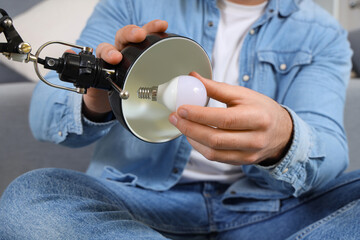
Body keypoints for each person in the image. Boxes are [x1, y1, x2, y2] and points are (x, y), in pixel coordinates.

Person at [1, 0, 359, 239]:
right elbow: (44, 114)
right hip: (136, 204)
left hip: (266, 212)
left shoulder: (320, 32)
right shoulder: (133, 3)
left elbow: (330, 155)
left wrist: (284, 138)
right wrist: (98, 97)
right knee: (30, 198)